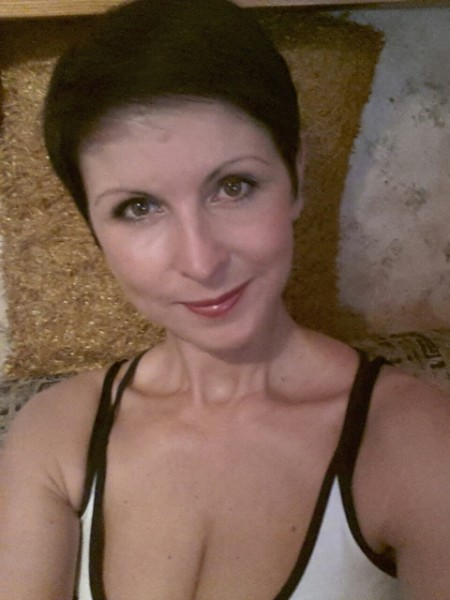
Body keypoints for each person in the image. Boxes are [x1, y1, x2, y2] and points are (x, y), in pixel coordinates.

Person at [1, 0, 449, 598]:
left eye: (234, 186)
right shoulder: (53, 435)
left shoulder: (414, 440)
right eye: (138, 207)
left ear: (296, 179)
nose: (201, 261)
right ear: (93, 230)